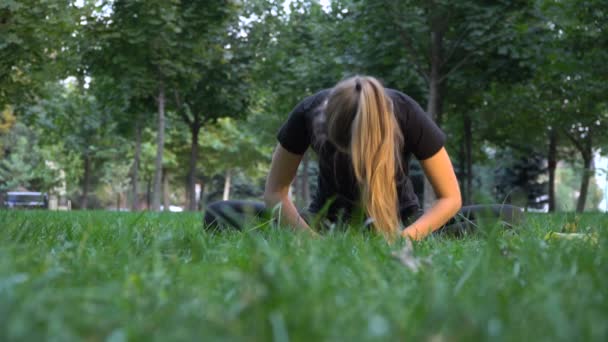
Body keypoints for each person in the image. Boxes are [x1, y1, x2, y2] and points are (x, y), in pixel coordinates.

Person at [204, 76, 523, 241]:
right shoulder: (306, 112)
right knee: (217, 214)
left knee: (509, 216)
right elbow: (275, 191)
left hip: (402, 220)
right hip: (324, 221)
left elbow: (450, 197)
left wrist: (407, 238)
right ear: (324, 124)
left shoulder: (406, 112)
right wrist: (307, 238)